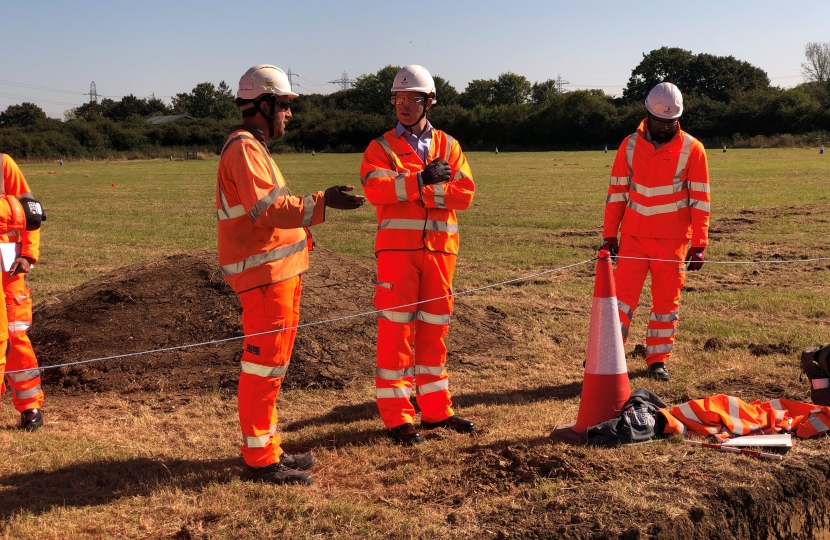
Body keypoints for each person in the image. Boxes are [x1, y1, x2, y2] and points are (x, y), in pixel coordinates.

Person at [217, 64, 364, 485]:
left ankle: (269, 447)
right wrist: (324, 201)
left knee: (273, 367)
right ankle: (260, 460)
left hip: (276, 274)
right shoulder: (245, 149)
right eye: (283, 105)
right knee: (264, 367)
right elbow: (269, 211)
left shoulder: (252, 148)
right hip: (264, 278)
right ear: (263, 104)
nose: (289, 113)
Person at [360, 65, 476, 445]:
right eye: (397, 98)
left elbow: (465, 194)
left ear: (429, 102)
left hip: (441, 254)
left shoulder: (449, 145)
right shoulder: (379, 147)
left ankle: (437, 411)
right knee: (396, 334)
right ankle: (398, 417)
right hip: (397, 255)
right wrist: (423, 181)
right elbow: (376, 190)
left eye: (411, 99)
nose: (403, 105)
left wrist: (411, 190)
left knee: (434, 332)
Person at [601, 82, 710, 382]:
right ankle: (609, 355)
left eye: (670, 121)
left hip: (673, 243)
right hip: (633, 240)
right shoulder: (629, 145)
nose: (664, 127)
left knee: (665, 305)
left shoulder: (693, 149)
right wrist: (610, 235)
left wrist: (700, 243)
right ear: (647, 114)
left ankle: (658, 360)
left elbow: (700, 200)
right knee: (620, 301)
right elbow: (617, 193)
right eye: (659, 121)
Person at [0, 153, 45, 430]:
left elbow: (31, 213)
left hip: (9, 267)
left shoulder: (3, 165)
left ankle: (30, 407)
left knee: (16, 334)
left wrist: (28, 254)